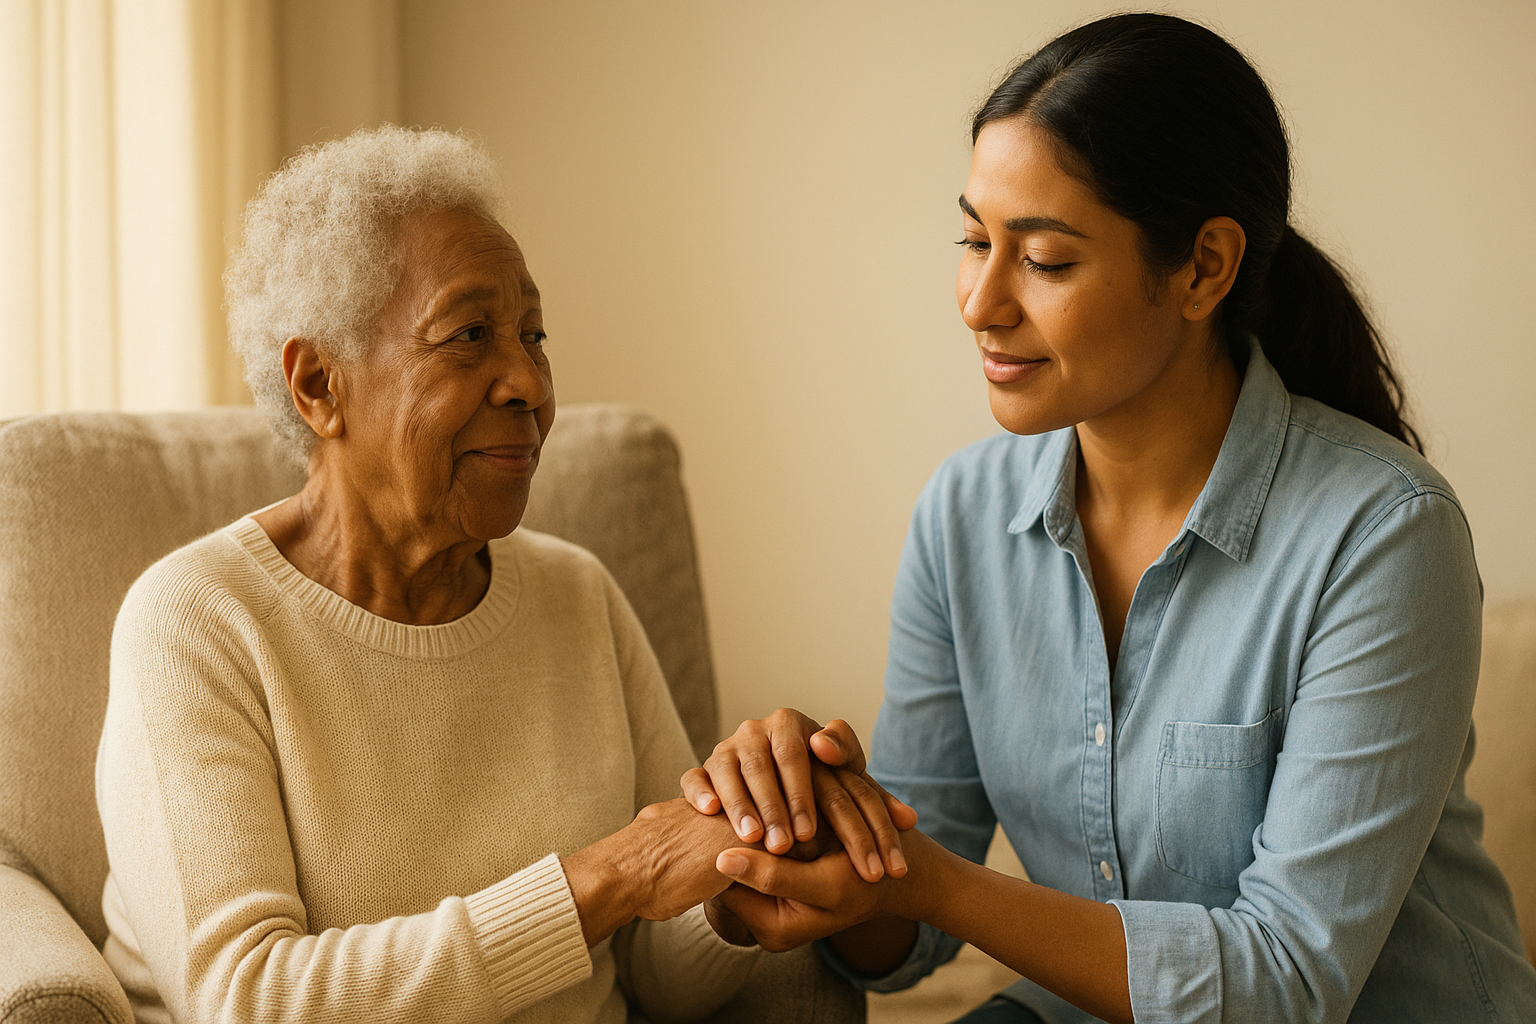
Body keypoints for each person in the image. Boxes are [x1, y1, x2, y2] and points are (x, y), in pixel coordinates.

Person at [682, 13, 1536, 1024]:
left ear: (1204, 268)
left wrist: (933, 884)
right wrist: (809, 837)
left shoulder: (1385, 534)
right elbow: (903, 926)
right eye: (974, 240)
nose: (980, 302)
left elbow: (1285, 984)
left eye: (1044, 259)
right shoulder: (963, 516)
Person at [94, 126, 884, 1024]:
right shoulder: (197, 623)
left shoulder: (579, 595)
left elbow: (656, 973)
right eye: (469, 335)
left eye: (533, 336)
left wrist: (747, 857)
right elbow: (246, 1000)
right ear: (319, 385)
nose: (529, 384)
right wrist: (613, 874)